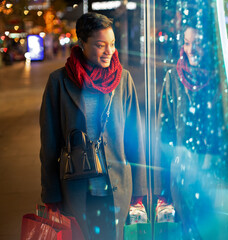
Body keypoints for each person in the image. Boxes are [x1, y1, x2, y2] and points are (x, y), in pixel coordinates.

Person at [39, 12, 148, 240]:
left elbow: (135, 139)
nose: (109, 51)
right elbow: (49, 145)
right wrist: (51, 192)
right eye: (100, 45)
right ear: (82, 44)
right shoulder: (59, 83)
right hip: (77, 190)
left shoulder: (123, 80)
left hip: (117, 188)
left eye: (112, 44)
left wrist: (139, 188)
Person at [154, 18, 228, 239]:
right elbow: (164, 132)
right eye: (187, 43)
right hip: (183, 171)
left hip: (210, 169)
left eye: (196, 43)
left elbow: (223, 127)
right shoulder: (173, 77)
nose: (191, 49)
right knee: (188, 229)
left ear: (206, 45)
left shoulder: (218, 79)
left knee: (209, 227)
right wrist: (164, 184)